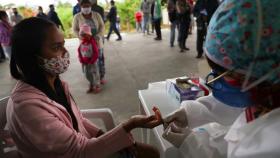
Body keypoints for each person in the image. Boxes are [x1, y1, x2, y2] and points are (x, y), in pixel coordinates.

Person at [7, 17, 161, 158]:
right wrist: (130, 125)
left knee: (150, 153)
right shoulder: (27, 108)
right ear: (31, 56)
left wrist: (102, 134)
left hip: (85, 147)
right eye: (56, 47)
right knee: (150, 154)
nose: (65, 52)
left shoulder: (55, 83)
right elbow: (81, 152)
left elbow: (78, 119)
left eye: (63, 45)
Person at [162, 0, 280, 157]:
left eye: (226, 74)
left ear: (262, 71)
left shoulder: (273, 143)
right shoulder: (266, 91)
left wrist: (193, 148)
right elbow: (236, 106)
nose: (213, 81)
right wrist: (190, 112)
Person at [73, 0, 107, 86]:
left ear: (91, 6)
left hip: (97, 42)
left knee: (100, 61)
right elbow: (74, 29)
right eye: (84, 6)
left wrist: (98, 36)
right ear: (81, 7)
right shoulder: (77, 17)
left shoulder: (97, 15)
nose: (86, 8)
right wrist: (81, 36)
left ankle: (101, 77)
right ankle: (92, 81)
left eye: (88, 6)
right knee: (88, 63)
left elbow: (102, 26)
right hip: (85, 45)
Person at [78, 24, 101, 93]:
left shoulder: (92, 42)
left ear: (89, 34)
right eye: (82, 35)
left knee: (94, 73)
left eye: (85, 35)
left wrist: (92, 61)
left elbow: (96, 53)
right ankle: (91, 84)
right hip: (85, 63)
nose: (83, 36)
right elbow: (79, 51)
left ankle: (97, 85)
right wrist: (81, 60)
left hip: (92, 62)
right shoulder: (82, 43)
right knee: (87, 74)